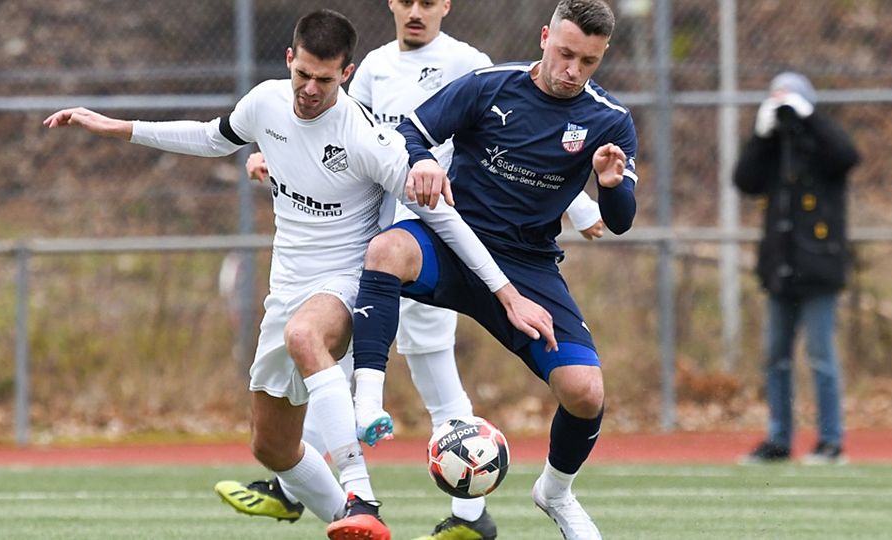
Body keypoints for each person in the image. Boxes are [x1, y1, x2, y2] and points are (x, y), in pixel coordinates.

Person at [43, 9, 555, 540]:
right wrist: (117, 127)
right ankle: (348, 519)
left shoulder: (366, 138)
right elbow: (212, 136)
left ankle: (362, 495)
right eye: (302, 75)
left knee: (305, 336)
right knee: (272, 447)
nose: (309, 90)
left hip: (347, 283)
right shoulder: (265, 102)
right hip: (285, 289)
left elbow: (442, 216)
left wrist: (507, 293)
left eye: (325, 79)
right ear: (289, 60)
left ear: (347, 74)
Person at [220, 2, 607, 539]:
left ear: (446, 5)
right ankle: (308, 488)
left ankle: (467, 515)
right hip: (388, 233)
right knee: (335, 362)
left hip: (448, 232)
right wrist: (283, 158)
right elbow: (344, 134)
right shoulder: (375, 64)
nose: (418, 10)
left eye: (430, 0)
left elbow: (527, 138)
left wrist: (584, 208)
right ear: (393, 5)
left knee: (429, 363)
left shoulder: (468, 61)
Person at [349, 1, 637, 538]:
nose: (572, 70)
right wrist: (425, 160)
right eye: (565, 53)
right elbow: (411, 131)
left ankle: (555, 492)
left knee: (585, 392)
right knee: (385, 251)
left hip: (528, 268)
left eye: (588, 61)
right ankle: (367, 400)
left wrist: (612, 185)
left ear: (602, 58)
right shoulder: (489, 85)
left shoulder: (609, 120)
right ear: (545, 36)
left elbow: (620, 223)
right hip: (450, 245)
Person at [734, 72, 859, 465]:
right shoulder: (774, 148)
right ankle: (779, 438)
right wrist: (762, 134)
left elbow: (847, 156)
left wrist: (810, 118)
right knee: (776, 356)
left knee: (821, 355)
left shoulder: (821, 144)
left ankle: (830, 439)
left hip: (818, 267)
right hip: (781, 268)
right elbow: (745, 179)